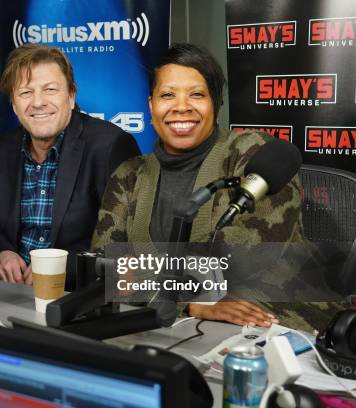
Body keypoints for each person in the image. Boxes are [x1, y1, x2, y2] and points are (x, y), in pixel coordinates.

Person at [91, 43, 343, 331]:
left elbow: (239, 262)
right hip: (171, 326)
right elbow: (106, 269)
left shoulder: (254, 153)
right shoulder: (129, 174)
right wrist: (189, 302)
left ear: (216, 103)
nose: (181, 106)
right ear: (151, 105)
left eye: (197, 94)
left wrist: (144, 276)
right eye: (167, 95)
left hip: (278, 323)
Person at [0, 44, 140, 290]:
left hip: (78, 295)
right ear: (13, 104)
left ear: (71, 96)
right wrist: (0, 252)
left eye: (50, 90)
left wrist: (59, 265)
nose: (38, 102)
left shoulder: (111, 146)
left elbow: (126, 238)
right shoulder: (0, 150)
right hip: (10, 292)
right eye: (25, 93)